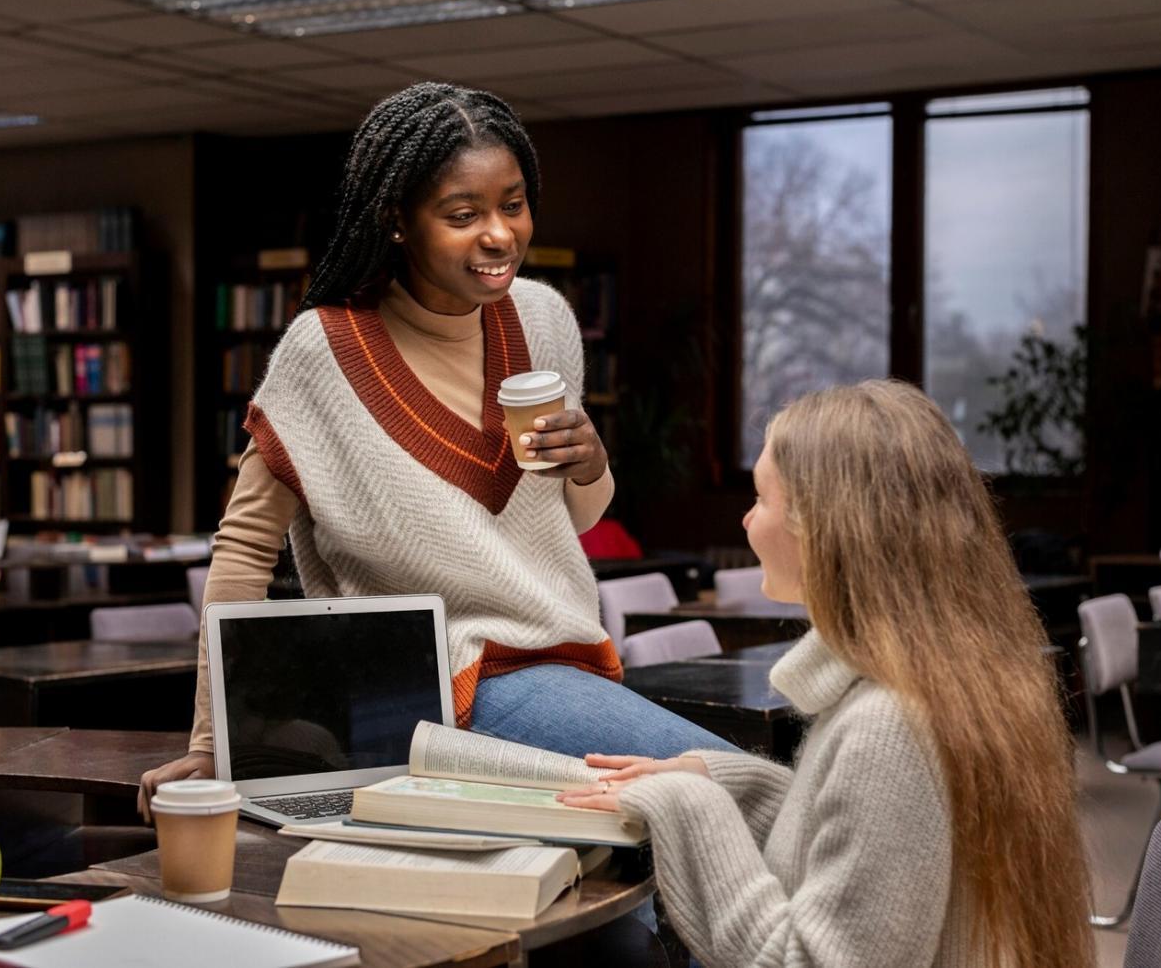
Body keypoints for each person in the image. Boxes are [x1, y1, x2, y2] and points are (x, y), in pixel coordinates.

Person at [139, 82, 733, 817]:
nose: (500, 234)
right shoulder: (323, 351)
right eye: (463, 215)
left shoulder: (544, 320)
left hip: (564, 665)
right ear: (397, 221)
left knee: (684, 820)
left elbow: (571, 521)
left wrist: (592, 463)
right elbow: (243, 549)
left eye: (513, 204)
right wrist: (211, 742)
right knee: (727, 789)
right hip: (433, 689)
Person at [560, 380, 1094, 968]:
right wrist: (716, 779)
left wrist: (689, 806)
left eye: (761, 499)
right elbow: (868, 841)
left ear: (823, 527)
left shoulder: (885, 729)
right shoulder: (947, 675)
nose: (745, 521)